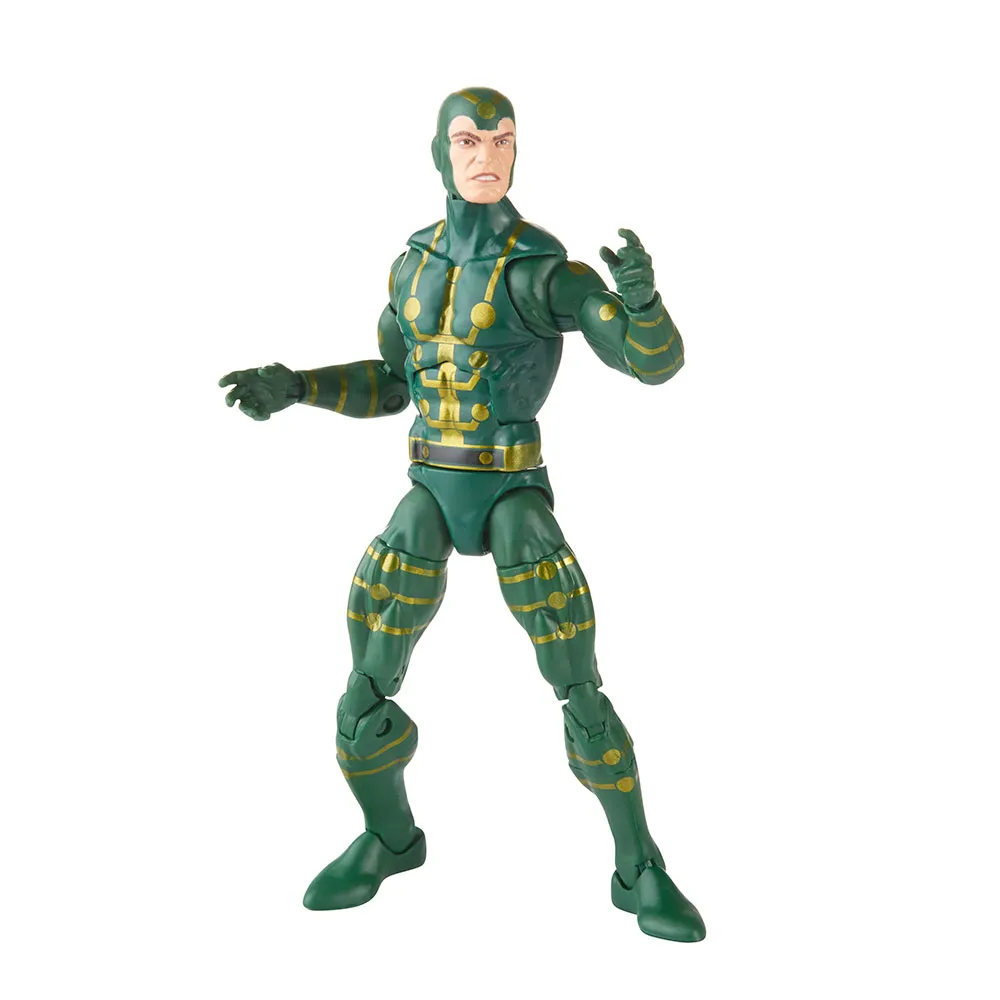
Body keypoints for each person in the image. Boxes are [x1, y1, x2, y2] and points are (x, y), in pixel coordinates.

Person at [219, 87, 704, 942]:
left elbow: (651, 364)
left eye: (503, 140)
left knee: (582, 694)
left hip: (513, 493)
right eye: (470, 139)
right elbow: (392, 382)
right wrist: (295, 386)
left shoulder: (546, 272)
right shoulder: (411, 267)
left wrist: (641, 305)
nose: (487, 155)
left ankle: (639, 868)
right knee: (361, 698)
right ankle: (390, 839)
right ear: (440, 153)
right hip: (430, 491)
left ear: (519, 152)